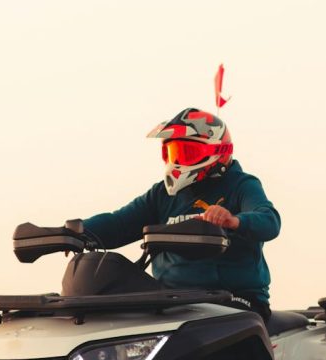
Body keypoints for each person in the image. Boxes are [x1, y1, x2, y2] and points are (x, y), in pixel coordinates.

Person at [82, 107, 281, 320]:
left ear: (217, 152)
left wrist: (233, 220)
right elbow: (118, 224)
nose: (176, 162)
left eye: (187, 153)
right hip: (174, 301)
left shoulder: (242, 185)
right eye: (171, 153)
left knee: (210, 336)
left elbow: (269, 220)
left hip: (236, 300)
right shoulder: (162, 195)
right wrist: (74, 231)